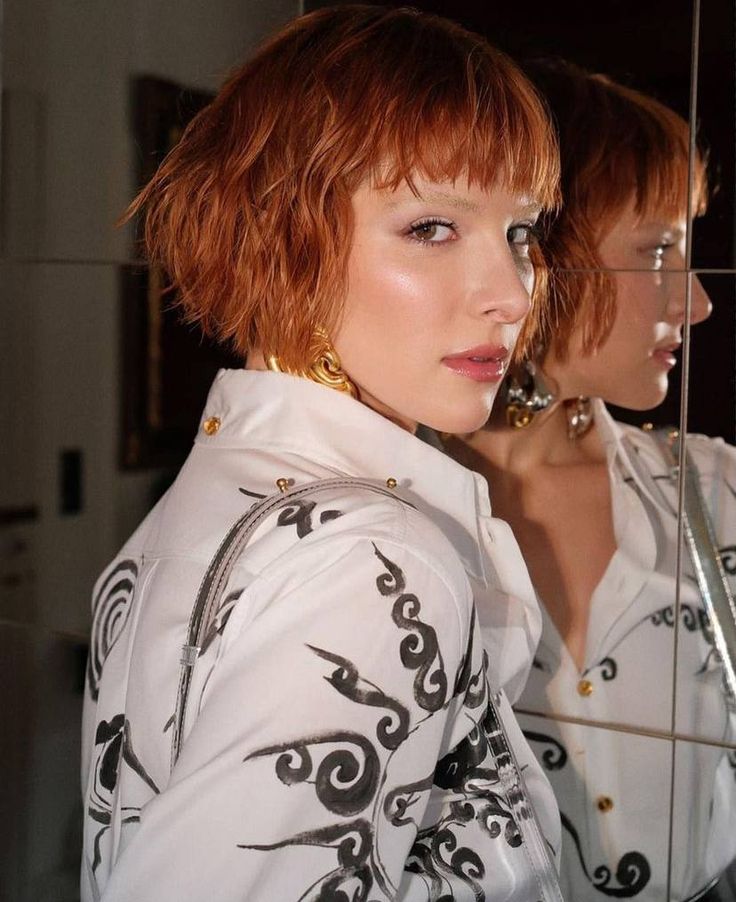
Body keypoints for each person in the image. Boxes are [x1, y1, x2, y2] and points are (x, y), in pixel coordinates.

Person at [80, 7, 564, 900]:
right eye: (431, 228)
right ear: (280, 236)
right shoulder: (373, 559)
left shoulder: (228, 481)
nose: (509, 294)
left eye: (521, 234)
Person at [447, 59, 736, 901]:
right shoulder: (388, 505)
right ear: (543, 252)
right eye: (657, 251)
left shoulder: (713, 492)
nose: (698, 303)